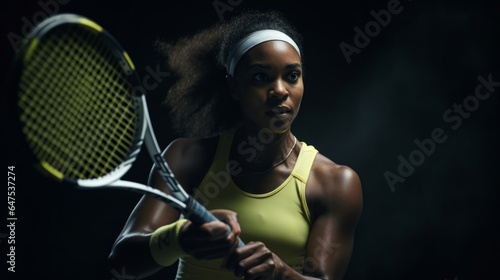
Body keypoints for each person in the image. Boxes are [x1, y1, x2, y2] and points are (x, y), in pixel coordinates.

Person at [108, 10, 363, 280]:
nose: (280, 90)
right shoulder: (188, 158)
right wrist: (179, 239)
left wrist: (281, 274)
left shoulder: (335, 183)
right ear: (233, 87)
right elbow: (121, 263)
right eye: (260, 77)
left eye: (292, 75)